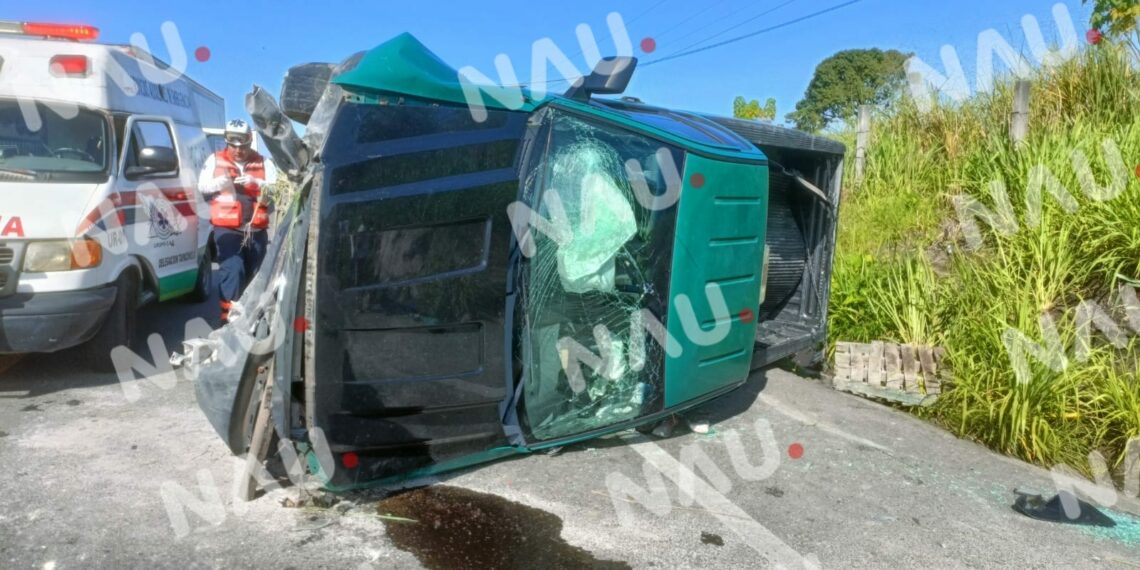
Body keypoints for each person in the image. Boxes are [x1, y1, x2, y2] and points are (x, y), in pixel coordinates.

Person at [198, 119, 275, 324]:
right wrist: (221, 182)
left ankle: (252, 321)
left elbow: (278, 189)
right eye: (234, 145)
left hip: (256, 230)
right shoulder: (214, 160)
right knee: (233, 270)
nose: (239, 150)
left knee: (256, 276)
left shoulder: (264, 163)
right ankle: (228, 323)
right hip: (227, 230)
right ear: (227, 143)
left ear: (250, 142)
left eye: (243, 146)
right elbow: (203, 187)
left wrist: (257, 182)